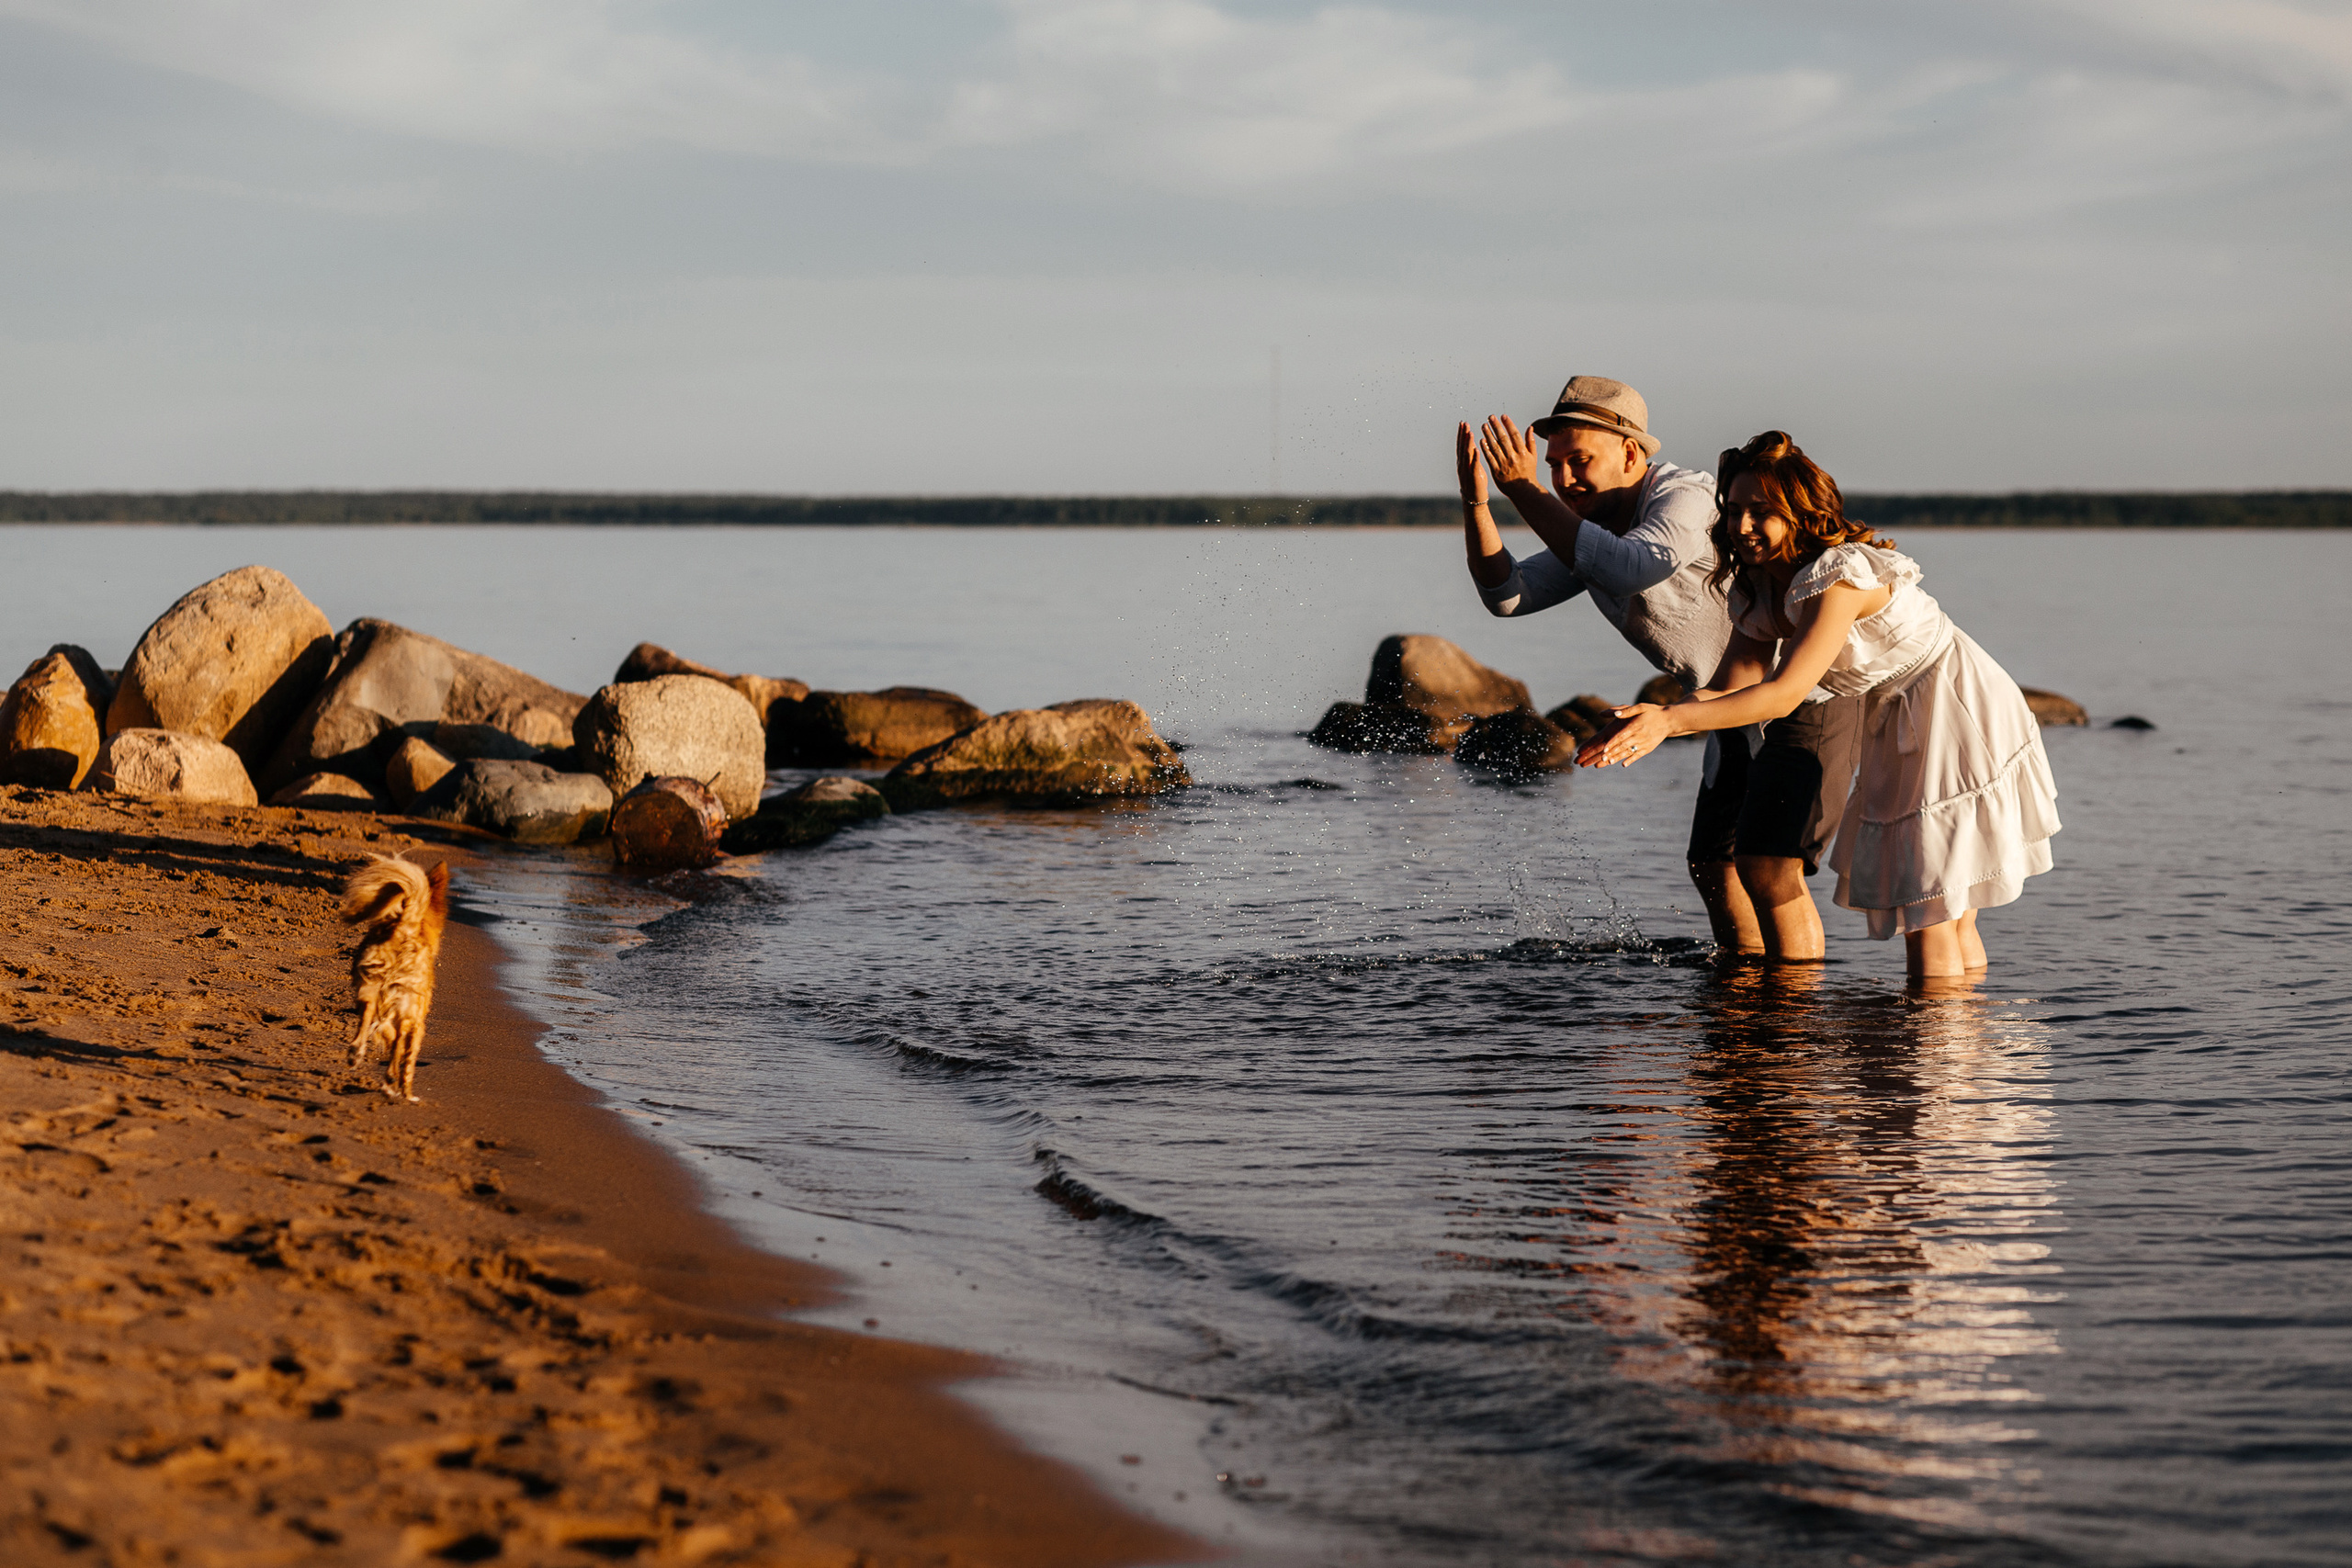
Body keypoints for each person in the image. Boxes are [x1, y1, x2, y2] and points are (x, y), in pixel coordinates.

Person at [1577, 431, 2059, 978]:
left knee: (1934, 906)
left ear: (1800, 511)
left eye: (1761, 512)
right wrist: (1649, 720)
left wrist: (1670, 720)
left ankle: (1930, 1056)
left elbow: (1783, 694)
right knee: (1940, 903)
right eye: (1733, 512)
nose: (1741, 527)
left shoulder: (1839, 575)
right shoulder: (1758, 586)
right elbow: (1736, 685)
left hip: (1951, 700)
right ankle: (1961, 1049)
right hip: (1895, 711)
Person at [1455, 377, 1858, 959]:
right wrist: (1479, 504)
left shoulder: (1687, 496)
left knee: (1771, 872)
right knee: (1713, 867)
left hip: (1800, 694)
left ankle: (1790, 1027)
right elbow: (1508, 595)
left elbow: (1635, 567)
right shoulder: (1592, 534)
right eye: (1553, 466)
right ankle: (1742, 1007)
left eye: (1579, 461)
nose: (1564, 480)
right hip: (1720, 701)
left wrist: (1522, 490)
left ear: (1631, 452)